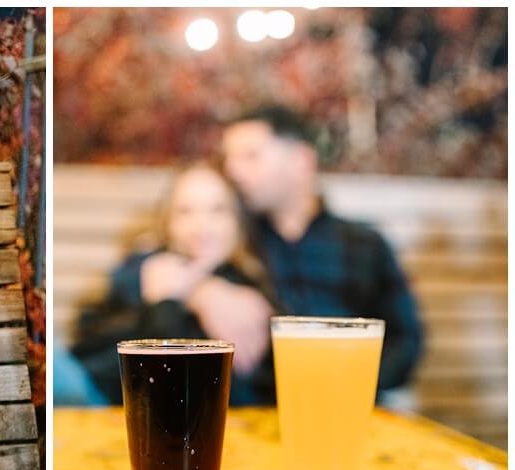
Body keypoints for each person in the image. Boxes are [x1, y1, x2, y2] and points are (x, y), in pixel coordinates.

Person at [218, 104, 424, 394]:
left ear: (301, 160)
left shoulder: (364, 244)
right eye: (229, 159)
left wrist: (349, 386)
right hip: (259, 406)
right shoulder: (232, 239)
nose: (233, 171)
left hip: (348, 401)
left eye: (250, 156)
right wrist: (202, 292)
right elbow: (161, 267)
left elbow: (406, 340)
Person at [71, 162, 279, 405]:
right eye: (185, 212)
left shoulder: (248, 291)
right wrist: (196, 289)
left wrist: (168, 300)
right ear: (168, 225)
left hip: (127, 405)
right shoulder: (145, 267)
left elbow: (169, 382)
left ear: (238, 223)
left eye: (217, 210)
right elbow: (91, 331)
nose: (202, 226)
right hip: (88, 383)